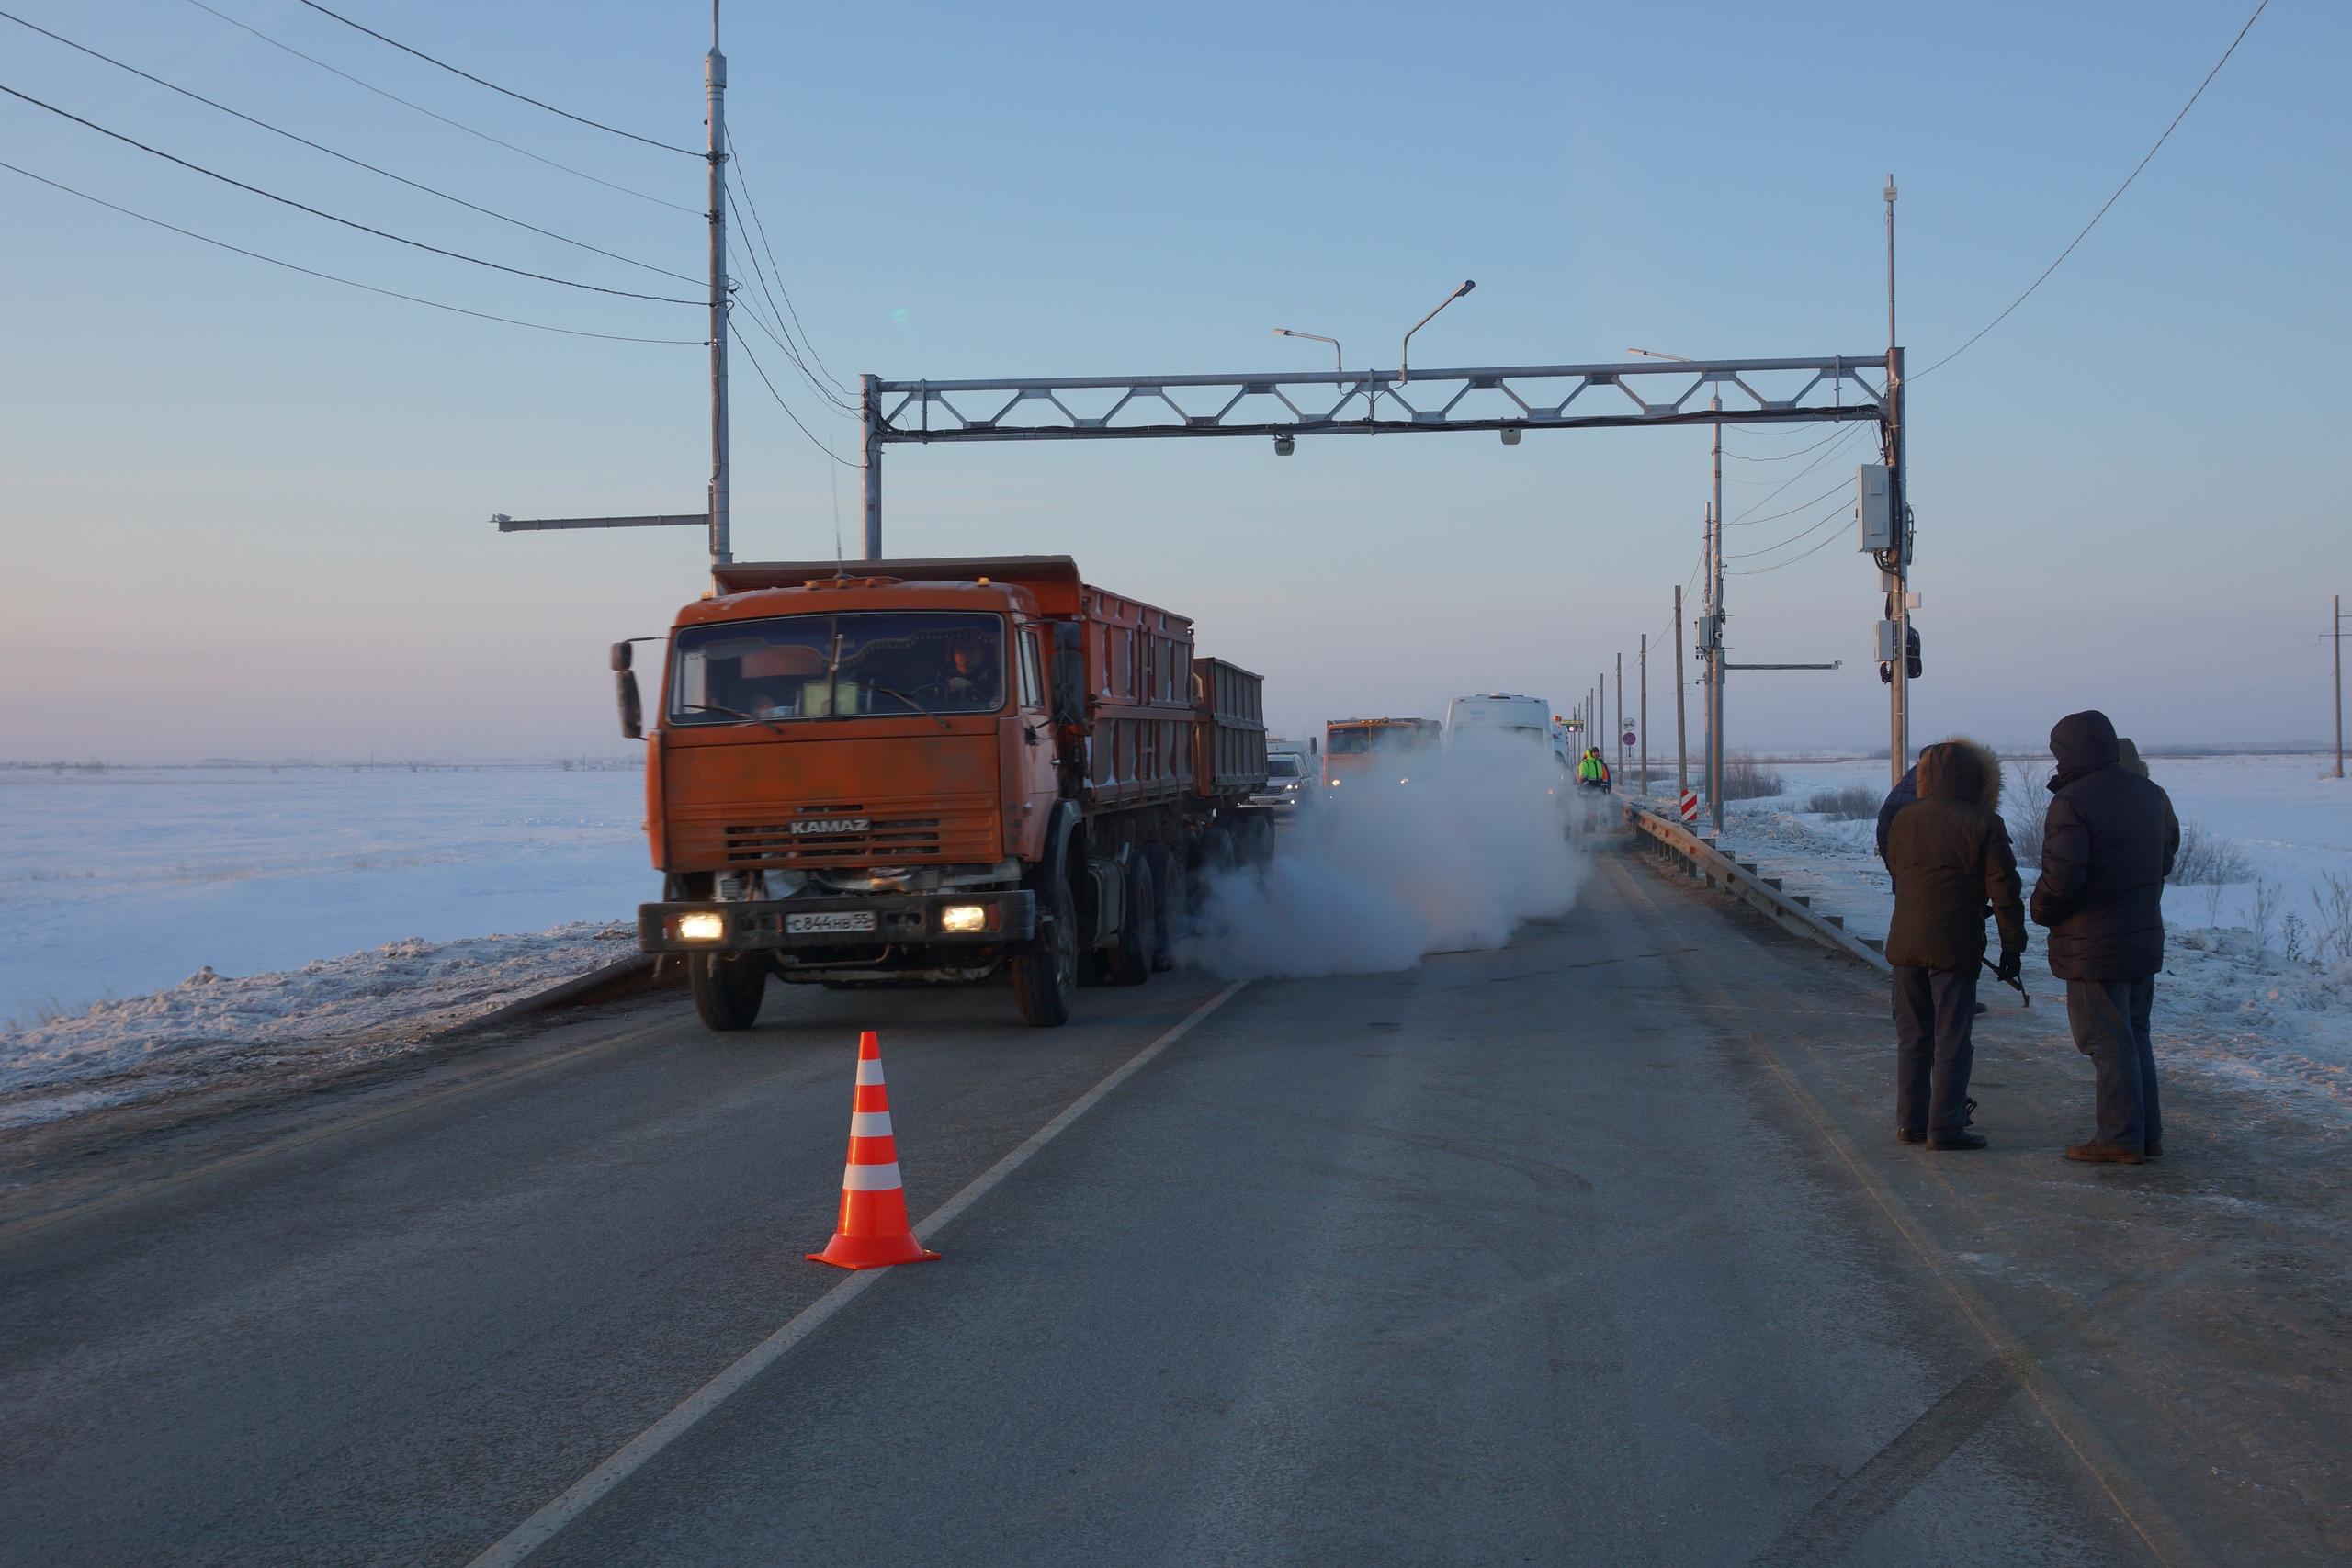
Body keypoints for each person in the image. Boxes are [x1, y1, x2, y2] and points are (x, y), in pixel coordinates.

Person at [2030, 710, 2179, 1165]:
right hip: (2141, 935)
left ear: (2068, 751)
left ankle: (2118, 1137)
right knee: (2135, 1036)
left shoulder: (2073, 801)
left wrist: (2040, 909)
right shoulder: (2151, 794)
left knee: (2107, 1041)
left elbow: (2064, 876)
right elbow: (2165, 857)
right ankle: (2145, 1134)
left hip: (2094, 941)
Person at [1884, 739, 2023, 1150]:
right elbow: (2005, 892)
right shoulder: (1984, 823)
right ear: (1980, 779)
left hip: (1905, 940)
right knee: (1952, 1038)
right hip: (1954, 944)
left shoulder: (1903, 818)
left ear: (1925, 778)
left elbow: (1898, 870)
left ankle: (1911, 1122)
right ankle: (1945, 1127)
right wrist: (2012, 945)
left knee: (1913, 1036)